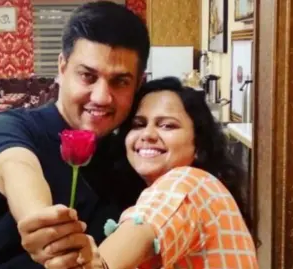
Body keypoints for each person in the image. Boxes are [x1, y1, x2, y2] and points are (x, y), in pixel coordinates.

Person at [0, 2, 150, 269]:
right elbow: (17, 168)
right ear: (62, 68)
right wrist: (43, 223)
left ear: (138, 85)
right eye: (87, 76)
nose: (101, 97)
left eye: (120, 82)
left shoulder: (127, 160)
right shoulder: (8, 128)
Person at [45, 77, 259, 269]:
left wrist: (96, 264)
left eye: (167, 126)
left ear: (199, 145)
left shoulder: (188, 182)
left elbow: (146, 226)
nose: (147, 134)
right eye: (138, 125)